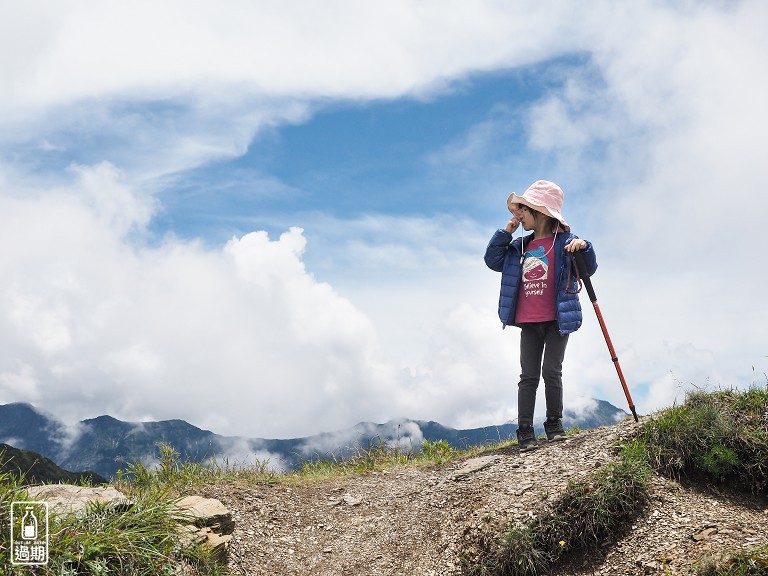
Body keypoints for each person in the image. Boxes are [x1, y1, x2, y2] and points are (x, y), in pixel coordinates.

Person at [484, 180, 597, 451]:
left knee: (551, 371)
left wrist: (584, 247)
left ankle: (554, 424)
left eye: (524, 210)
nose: (519, 215)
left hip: (558, 319)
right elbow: (492, 260)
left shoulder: (565, 243)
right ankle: (525, 429)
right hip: (529, 322)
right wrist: (505, 233)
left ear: (542, 213)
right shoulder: (519, 247)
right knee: (528, 376)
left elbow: (588, 268)